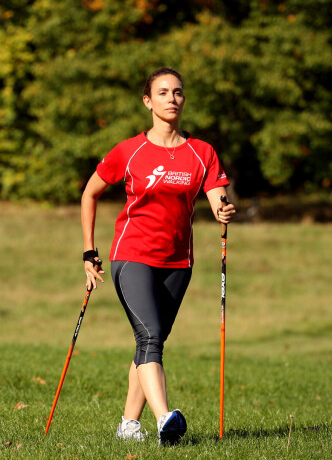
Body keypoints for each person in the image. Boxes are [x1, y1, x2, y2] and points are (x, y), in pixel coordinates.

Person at [80, 67, 236, 446]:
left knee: (151, 342)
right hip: (131, 255)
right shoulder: (129, 150)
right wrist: (89, 251)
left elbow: (218, 195)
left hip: (177, 262)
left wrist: (223, 210)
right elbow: (90, 193)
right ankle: (166, 418)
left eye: (178, 92)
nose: (172, 99)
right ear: (148, 101)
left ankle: (127, 425)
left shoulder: (202, 153)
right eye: (163, 92)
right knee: (149, 334)